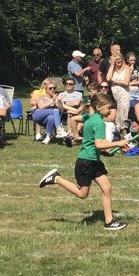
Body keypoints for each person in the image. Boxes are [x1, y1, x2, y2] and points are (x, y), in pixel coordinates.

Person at [37, 93, 128, 230]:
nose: (110, 111)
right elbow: (99, 144)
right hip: (87, 162)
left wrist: (76, 135)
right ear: (99, 107)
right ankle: (56, 178)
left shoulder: (90, 117)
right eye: (108, 108)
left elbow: (74, 119)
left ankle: (109, 221)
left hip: (93, 161)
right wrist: (118, 143)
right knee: (82, 194)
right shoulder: (99, 123)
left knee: (107, 188)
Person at [28, 78, 63, 144]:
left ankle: (48, 137)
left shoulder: (56, 97)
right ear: (46, 89)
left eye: (54, 88)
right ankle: (59, 129)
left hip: (47, 117)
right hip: (38, 115)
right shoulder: (40, 96)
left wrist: (57, 101)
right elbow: (41, 107)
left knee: (51, 117)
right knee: (55, 110)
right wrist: (52, 101)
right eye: (50, 88)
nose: (52, 89)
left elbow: (61, 110)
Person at [107, 52, 132, 134]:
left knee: (123, 112)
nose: (118, 61)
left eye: (120, 59)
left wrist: (114, 81)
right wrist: (112, 65)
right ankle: (117, 132)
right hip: (114, 95)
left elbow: (126, 83)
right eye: (116, 59)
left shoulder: (127, 68)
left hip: (124, 94)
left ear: (122, 59)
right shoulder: (112, 69)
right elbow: (108, 78)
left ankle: (124, 132)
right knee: (116, 113)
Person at [56, 77, 84, 143]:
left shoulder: (78, 94)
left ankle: (70, 134)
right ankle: (71, 134)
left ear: (74, 85)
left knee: (70, 112)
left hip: (75, 111)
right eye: (67, 84)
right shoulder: (61, 94)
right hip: (64, 112)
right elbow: (58, 105)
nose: (68, 85)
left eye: (70, 84)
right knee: (69, 112)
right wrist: (68, 104)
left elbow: (76, 103)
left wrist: (64, 103)